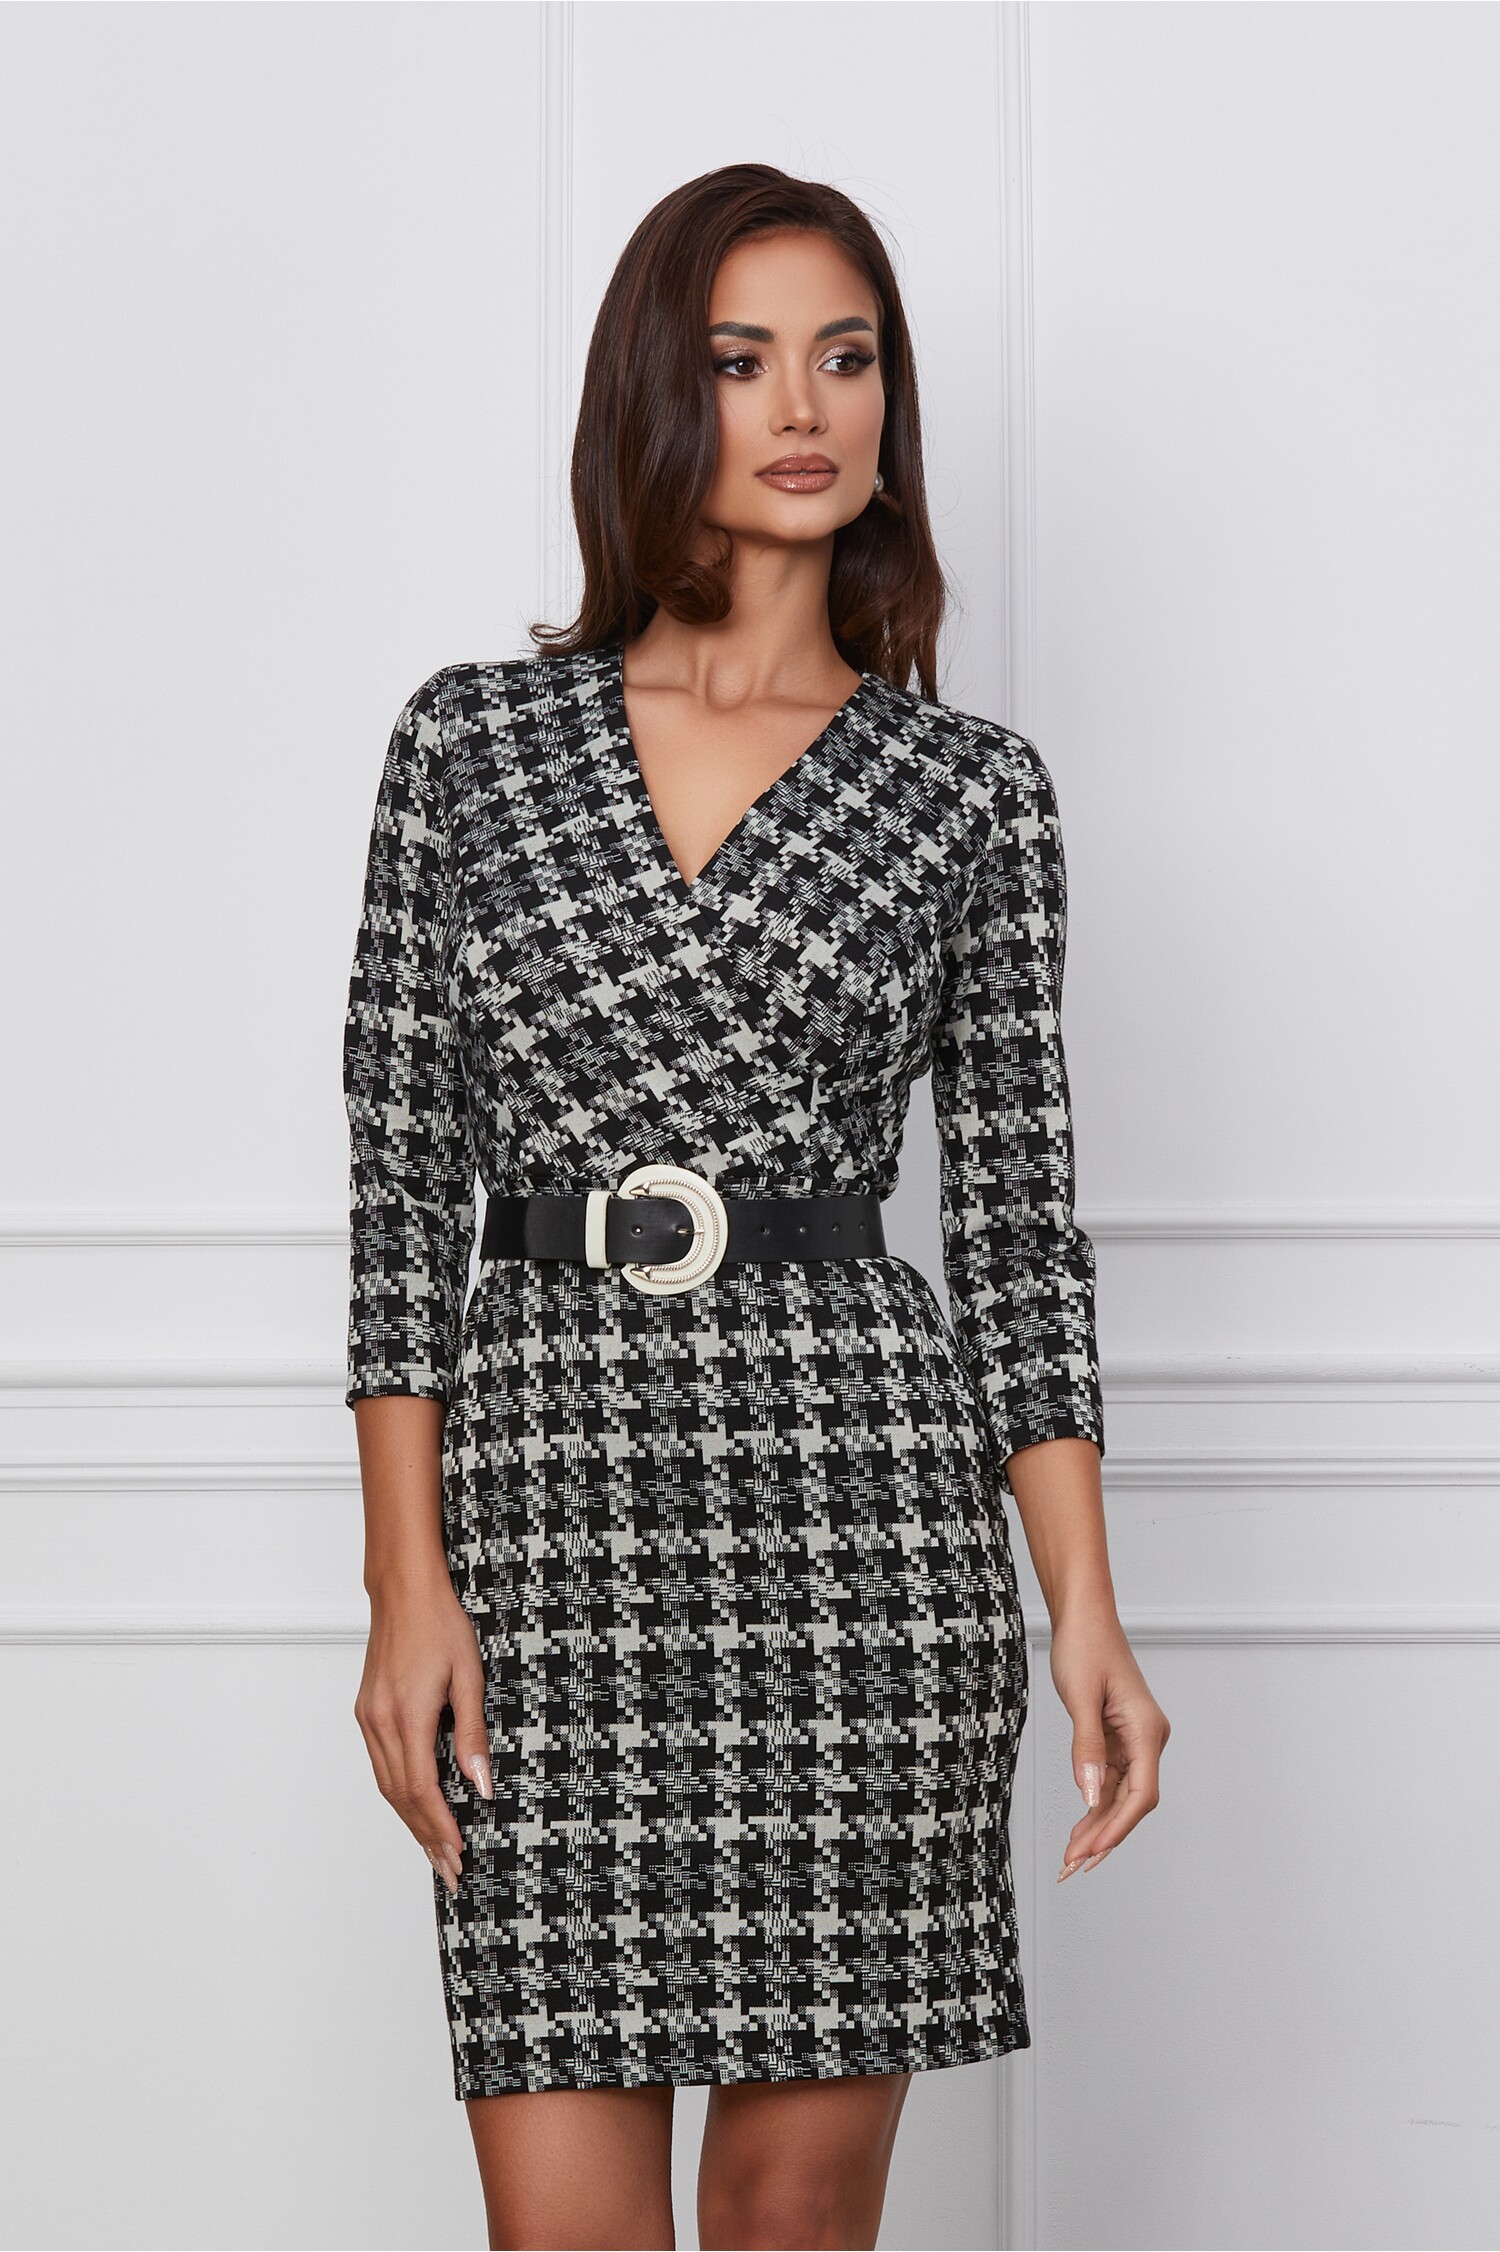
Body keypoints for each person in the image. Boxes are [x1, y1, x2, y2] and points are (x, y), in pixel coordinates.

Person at [343, 162, 1170, 2252]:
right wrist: (404, 1586)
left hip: (862, 1545)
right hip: (549, 1529)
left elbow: (1019, 1233)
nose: (803, 405)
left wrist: (1082, 1601)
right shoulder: (470, 746)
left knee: (794, 2226)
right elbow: (399, 1194)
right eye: (739, 360)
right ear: (659, 392)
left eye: (846, 356)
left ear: (890, 403)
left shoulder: (968, 792)